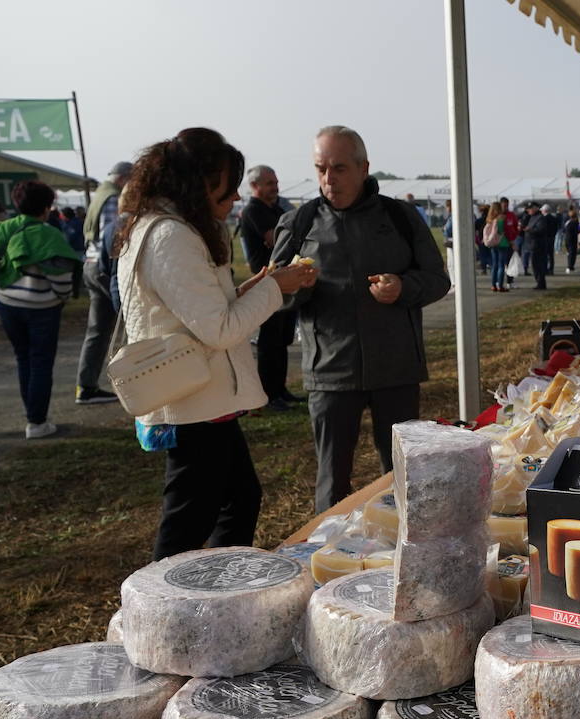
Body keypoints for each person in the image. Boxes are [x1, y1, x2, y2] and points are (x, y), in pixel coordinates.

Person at [116, 128, 315, 558]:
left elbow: (199, 313)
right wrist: (274, 288)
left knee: (239, 499)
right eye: (225, 190)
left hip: (201, 398)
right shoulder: (173, 238)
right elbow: (220, 330)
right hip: (192, 402)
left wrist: (252, 290)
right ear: (197, 185)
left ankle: (218, 591)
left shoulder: (167, 228)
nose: (233, 199)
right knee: (191, 522)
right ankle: (162, 611)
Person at [272, 125, 451, 513]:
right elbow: (273, 297)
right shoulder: (299, 223)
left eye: (338, 168)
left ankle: (406, 551)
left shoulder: (400, 217)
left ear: (363, 167)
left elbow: (438, 280)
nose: (328, 179)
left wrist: (403, 287)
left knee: (403, 475)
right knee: (332, 479)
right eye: (320, 169)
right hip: (331, 372)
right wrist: (296, 287)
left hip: (396, 368)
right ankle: (327, 560)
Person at [0, 181, 83, 438]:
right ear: (47, 207)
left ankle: (33, 417)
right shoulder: (50, 235)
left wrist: (0, 290)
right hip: (43, 309)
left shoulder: (2, 229)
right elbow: (61, 278)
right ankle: (37, 422)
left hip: (8, 307)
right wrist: (62, 297)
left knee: (23, 359)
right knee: (40, 363)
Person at [238, 164, 298, 410]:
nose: (275, 187)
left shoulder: (274, 208)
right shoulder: (254, 210)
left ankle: (280, 390)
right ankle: (268, 395)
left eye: (275, 182)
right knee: (269, 341)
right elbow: (278, 238)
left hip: (282, 280)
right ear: (255, 186)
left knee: (282, 338)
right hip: (265, 281)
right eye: (269, 183)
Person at [74, 161, 134, 405]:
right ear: (124, 179)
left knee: (97, 331)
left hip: (90, 264)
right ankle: (138, 382)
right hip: (104, 267)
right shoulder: (112, 197)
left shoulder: (100, 193)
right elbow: (113, 238)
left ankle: (85, 386)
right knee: (132, 323)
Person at [482, 198, 518, 292]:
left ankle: (493, 284)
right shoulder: (502, 218)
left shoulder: (490, 219)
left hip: (493, 243)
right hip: (503, 243)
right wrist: (511, 241)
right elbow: (505, 231)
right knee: (501, 265)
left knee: (494, 265)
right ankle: (500, 285)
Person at [524, 203, 558, 290]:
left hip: (538, 244)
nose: (529, 210)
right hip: (532, 244)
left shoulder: (540, 218)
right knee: (535, 265)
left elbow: (540, 230)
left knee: (538, 264)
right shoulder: (531, 217)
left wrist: (529, 230)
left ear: (535, 208)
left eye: (530, 209)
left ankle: (541, 282)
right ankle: (539, 282)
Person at [561, 206, 580, 274]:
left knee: (570, 253)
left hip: (567, 238)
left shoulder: (567, 222)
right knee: (572, 253)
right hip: (572, 239)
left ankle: (570, 267)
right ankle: (570, 266)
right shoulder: (575, 222)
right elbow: (577, 231)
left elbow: (563, 230)